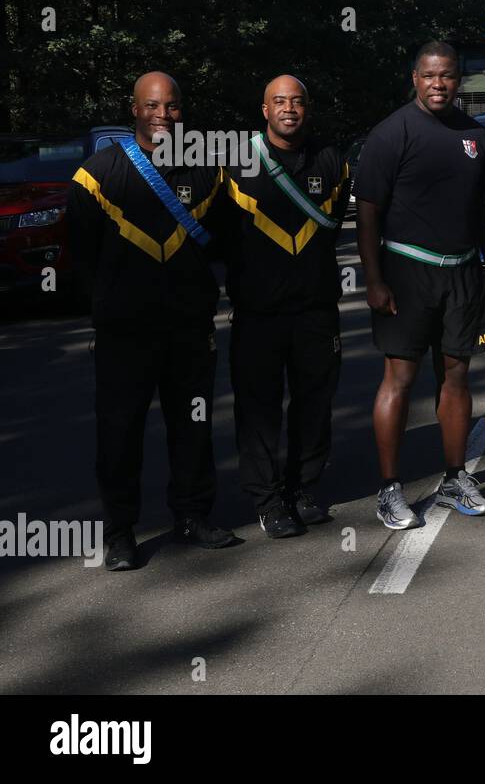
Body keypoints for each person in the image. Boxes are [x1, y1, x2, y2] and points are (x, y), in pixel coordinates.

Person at [66, 71, 237, 570]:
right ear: (134, 109)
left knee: (194, 427)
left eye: (174, 107)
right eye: (154, 106)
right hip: (125, 332)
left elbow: (227, 243)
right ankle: (120, 534)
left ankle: (192, 516)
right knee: (119, 434)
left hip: (189, 326)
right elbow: (85, 260)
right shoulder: (96, 175)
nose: (164, 116)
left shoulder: (208, 170)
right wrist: (107, 310)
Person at [354, 41, 485, 530]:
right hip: (405, 273)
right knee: (401, 379)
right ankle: (389, 489)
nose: (439, 84)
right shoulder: (391, 133)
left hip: (461, 273)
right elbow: (367, 212)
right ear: (414, 77)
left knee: (456, 376)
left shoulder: (476, 134)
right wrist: (374, 279)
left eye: (448, 76)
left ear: (459, 80)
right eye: (430, 75)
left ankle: (455, 477)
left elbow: (483, 213)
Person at [220, 75, 350, 538]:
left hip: (315, 309)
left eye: (297, 101)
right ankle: (268, 499)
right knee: (258, 410)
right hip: (258, 312)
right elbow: (220, 236)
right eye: (279, 102)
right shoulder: (234, 163)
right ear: (264, 109)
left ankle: (302, 489)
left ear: (307, 108)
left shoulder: (332, 160)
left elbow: (333, 226)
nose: (288, 109)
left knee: (314, 404)